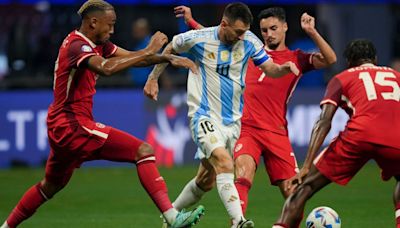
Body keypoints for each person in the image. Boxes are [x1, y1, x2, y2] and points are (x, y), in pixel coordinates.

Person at [0, 1, 205, 228]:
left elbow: (134, 57)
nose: (113, 30)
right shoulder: (77, 46)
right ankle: (173, 217)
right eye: (110, 25)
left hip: (62, 126)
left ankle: (6, 226)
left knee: (49, 186)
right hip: (72, 125)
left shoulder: (98, 43)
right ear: (93, 22)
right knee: (143, 151)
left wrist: (166, 58)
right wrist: (149, 50)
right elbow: (106, 68)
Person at [171, 5, 337, 217]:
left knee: (293, 192)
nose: (269, 34)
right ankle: (237, 223)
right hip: (246, 128)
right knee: (243, 175)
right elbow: (217, 40)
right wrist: (192, 23)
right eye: (264, 30)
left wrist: (312, 32)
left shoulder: (297, 58)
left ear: (285, 27)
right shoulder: (247, 50)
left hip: (276, 131)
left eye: (273, 28)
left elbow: (331, 59)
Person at [144, 2, 300, 228]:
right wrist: (153, 78)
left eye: (244, 32)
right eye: (237, 32)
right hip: (204, 116)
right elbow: (171, 47)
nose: (241, 37)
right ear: (224, 24)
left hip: (233, 122)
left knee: (205, 180)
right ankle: (239, 222)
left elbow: (269, 68)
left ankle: (171, 217)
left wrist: (283, 68)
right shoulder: (199, 38)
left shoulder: (249, 40)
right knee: (225, 164)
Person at [273, 39, 400, 228]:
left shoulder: (343, 77)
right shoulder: (396, 75)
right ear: (375, 59)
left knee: (305, 187)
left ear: (348, 62)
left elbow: (324, 121)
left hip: (360, 135)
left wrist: (306, 165)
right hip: (396, 138)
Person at [128, 18, 154, 86]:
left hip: (146, 84)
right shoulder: (136, 43)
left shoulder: (152, 44)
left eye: (137, 30)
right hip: (135, 84)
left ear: (144, 30)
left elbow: (158, 63)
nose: (134, 32)